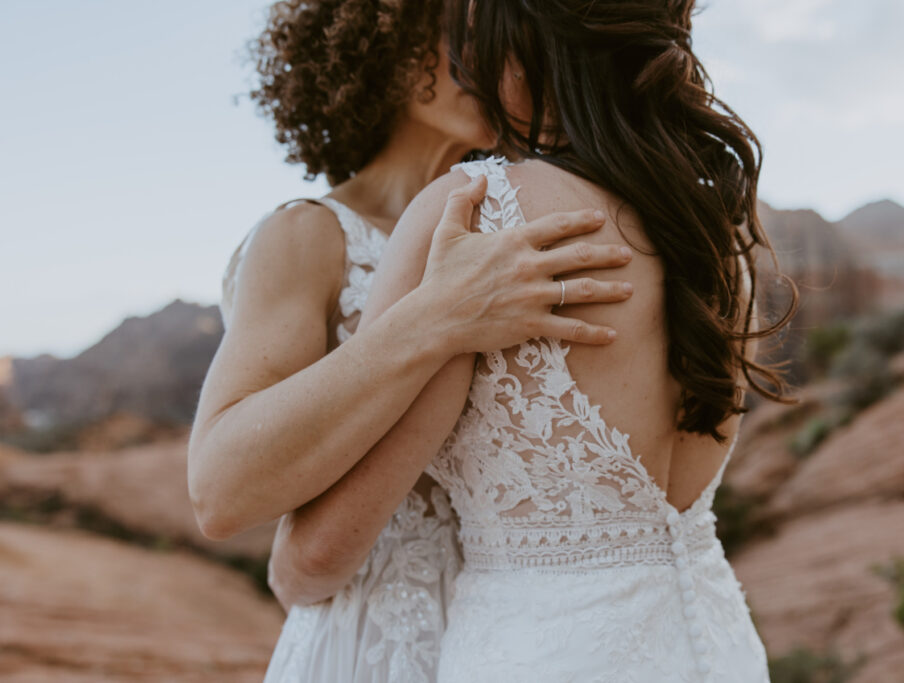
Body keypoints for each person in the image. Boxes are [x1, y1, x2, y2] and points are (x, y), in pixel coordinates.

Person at [270, 0, 801, 680]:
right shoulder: (716, 235)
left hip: (542, 655)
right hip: (716, 644)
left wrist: (286, 567)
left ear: (519, 44)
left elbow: (316, 557)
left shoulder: (475, 212)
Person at [187, 1, 635, 681]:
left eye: (505, 41)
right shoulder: (306, 235)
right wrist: (436, 316)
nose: (486, 61)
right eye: (457, 33)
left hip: (530, 640)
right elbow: (220, 490)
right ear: (378, 42)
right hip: (369, 646)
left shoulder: (526, 222)